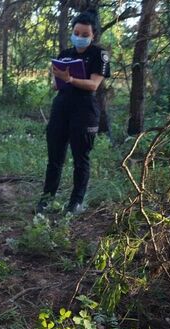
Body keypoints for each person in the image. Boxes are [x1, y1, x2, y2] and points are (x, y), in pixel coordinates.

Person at [37, 10, 110, 215]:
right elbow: (56, 85)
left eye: (85, 34)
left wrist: (70, 79)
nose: (80, 37)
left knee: (80, 158)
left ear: (93, 35)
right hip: (61, 107)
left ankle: (76, 202)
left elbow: (93, 84)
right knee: (54, 157)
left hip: (84, 110)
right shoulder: (65, 54)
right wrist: (58, 79)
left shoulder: (99, 55)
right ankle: (47, 199)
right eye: (76, 33)